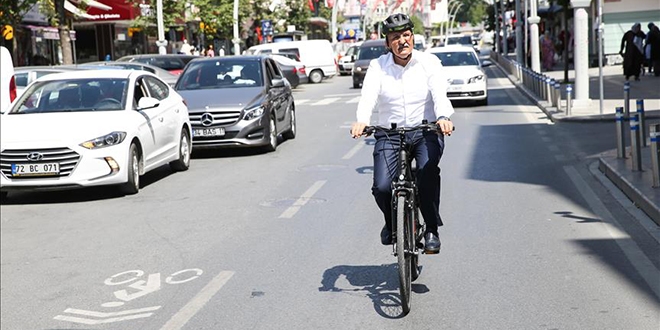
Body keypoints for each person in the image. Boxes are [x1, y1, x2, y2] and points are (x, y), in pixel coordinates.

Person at [350, 13, 454, 254]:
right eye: (395, 37)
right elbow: (368, 97)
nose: (402, 41)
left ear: (413, 37)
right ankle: (391, 223)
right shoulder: (378, 66)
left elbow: (439, 93)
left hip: (425, 130)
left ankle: (431, 229)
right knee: (383, 187)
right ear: (388, 43)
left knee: (427, 174)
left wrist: (443, 117)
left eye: (406, 35)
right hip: (389, 134)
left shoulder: (429, 63)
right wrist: (362, 121)